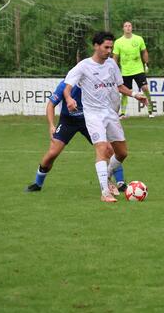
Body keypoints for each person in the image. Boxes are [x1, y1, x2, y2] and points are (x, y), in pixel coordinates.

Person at [64, 31, 148, 202]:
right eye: (106, 47)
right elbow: (67, 87)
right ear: (96, 46)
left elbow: (120, 86)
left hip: (110, 113)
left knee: (122, 153)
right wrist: (69, 98)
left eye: (111, 47)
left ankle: (107, 175)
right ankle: (105, 192)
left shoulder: (111, 64)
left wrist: (134, 94)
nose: (109, 51)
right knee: (102, 149)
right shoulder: (83, 66)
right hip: (93, 114)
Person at [25, 80, 126, 193]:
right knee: (53, 153)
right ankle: (37, 183)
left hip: (88, 120)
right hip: (68, 121)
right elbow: (50, 105)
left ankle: (121, 183)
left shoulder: (94, 83)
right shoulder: (65, 85)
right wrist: (51, 126)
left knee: (109, 149)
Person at [112, 21, 155, 118]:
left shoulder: (138, 39)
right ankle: (123, 113)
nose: (128, 27)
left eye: (129, 26)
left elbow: (144, 52)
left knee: (145, 88)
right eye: (126, 26)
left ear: (132, 28)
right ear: (123, 28)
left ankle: (150, 110)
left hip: (138, 69)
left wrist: (146, 64)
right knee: (125, 92)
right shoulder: (118, 42)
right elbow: (115, 57)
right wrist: (114, 69)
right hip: (125, 71)